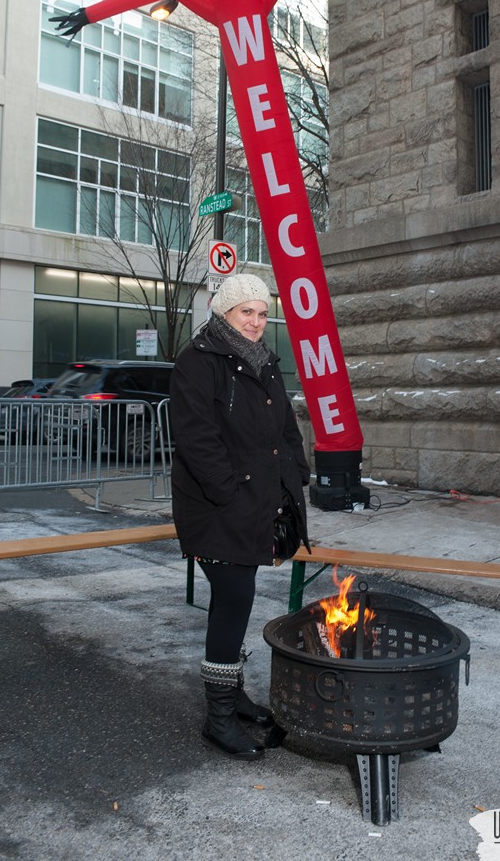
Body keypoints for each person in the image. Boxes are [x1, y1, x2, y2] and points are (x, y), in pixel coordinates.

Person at [170, 273, 310, 761]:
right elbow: (197, 440)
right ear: (224, 312)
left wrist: (298, 473)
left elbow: (284, 428)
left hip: (255, 504)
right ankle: (219, 717)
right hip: (216, 508)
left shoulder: (264, 363)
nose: (255, 321)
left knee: (238, 603)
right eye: (245, 311)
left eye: (261, 312)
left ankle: (234, 696)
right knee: (233, 601)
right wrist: (229, 493)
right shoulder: (197, 362)